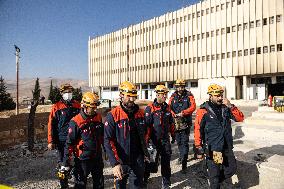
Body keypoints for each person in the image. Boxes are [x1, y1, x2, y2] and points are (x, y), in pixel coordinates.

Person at [194, 84, 244, 189]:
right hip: (215, 148)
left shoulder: (225, 108)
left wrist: (231, 106)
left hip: (226, 146)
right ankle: (214, 181)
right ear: (210, 96)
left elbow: (240, 118)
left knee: (232, 169)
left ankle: (213, 178)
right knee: (215, 173)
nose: (220, 98)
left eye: (221, 95)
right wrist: (198, 146)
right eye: (217, 95)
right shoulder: (203, 111)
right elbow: (198, 129)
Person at [104, 81, 149, 189]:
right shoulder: (113, 115)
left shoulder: (141, 113)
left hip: (137, 160)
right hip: (121, 161)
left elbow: (146, 134)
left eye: (134, 97)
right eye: (129, 96)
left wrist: (146, 153)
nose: (132, 100)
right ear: (121, 95)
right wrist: (115, 163)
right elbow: (107, 140)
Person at [62, 92, 104, 189]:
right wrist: (65, 162)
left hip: (97, 157)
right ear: (84, 106)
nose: (95, 110)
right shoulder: (76, 121)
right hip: (82, 160)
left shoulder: (98, 117)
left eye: (95, 107)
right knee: (80, 185)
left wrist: (106, 151)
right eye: (92, 108)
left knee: (100, 184)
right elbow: (69, 143)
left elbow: (102, 136)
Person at [47, 83, 81, 189]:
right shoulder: (56, 107)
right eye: (66, 92)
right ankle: (63, 183)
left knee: (77, 161)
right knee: (62, 163)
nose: (68, 94)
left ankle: (78, 182)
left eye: (70, 92)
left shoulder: (77, 105)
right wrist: (50, 141)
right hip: (62, 139)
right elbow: (51, 124)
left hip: (76, 139)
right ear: (62, 94)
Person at [144, 85, 175, 189]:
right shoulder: (150, 108)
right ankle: (145, 179)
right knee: (151, 163)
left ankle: (166, 184)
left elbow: (171, 123)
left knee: (166, 163)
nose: (166, 96)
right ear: (157, 94)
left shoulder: (167, 108)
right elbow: (146, 126)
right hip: (153, 140)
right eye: (164, 94)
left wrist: (173, 134)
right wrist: (146, 141)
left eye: (166, 94)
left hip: (165, 140)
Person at [168, 79, 196, 173]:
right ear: (176, 87)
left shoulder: (189, 95)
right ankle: (181, 156)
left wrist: (183, 113)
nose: (180, 88)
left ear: (184, 86)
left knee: (184, 142)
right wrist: (173, 114)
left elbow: (193, 107)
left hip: (185, 123)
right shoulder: (173, 96)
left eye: (182, 86)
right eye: (178, 86)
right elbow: (169, 107)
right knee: (178, 141)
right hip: (175, 123)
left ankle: (184, 164)